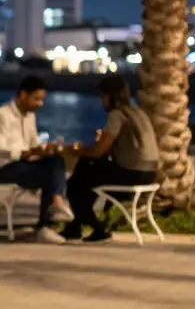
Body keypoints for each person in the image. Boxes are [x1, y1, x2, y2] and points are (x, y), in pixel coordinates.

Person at [62, 75, 159, 243]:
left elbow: (98, 151)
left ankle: (97, 228)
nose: (102, 101)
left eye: (103, 96)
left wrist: (73, 150)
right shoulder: (137, 112)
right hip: (150, 173)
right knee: (86, 173)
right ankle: (75, 226)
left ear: (111, 96)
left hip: (131, 174)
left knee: (75, 184)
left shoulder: (117, 114)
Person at [0, 75, 74, 243]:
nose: (40, 104)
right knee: (48, 175)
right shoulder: (1, 115)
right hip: (1, 168)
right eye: (36, 99)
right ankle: (47, 222)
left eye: (42, 100)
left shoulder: (30, 116)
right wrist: (28, 153)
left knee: (56, 161)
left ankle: (54, 206)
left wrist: (45, 150)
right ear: (23, 95)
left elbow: (33, 144)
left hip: (23, 165)